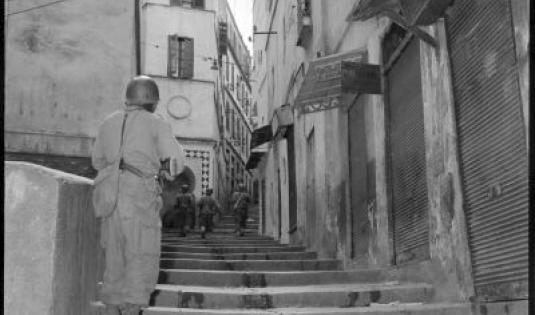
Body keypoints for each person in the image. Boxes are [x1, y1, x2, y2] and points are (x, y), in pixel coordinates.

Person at [92, 75, 185, 315]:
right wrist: (164, 171)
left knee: (114, 258)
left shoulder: (107, 122)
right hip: (138, 198)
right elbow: (175, 164)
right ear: (152, 100)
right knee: (140, 256)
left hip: (108, 196)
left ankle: (112, 308)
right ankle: (132, 309)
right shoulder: (156, 122)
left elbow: (97, 161)